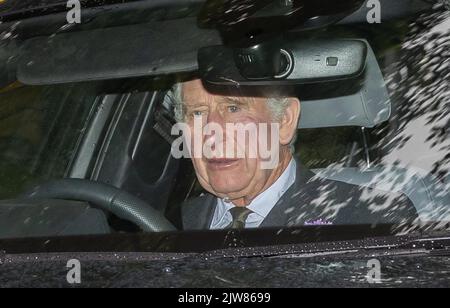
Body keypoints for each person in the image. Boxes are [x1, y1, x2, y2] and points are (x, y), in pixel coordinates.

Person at [167, 79, 418, 230]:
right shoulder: (165, 227)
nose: (211, 134)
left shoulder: (371, 218)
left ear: (284, 120)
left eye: (233, 108)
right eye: (197, 114)